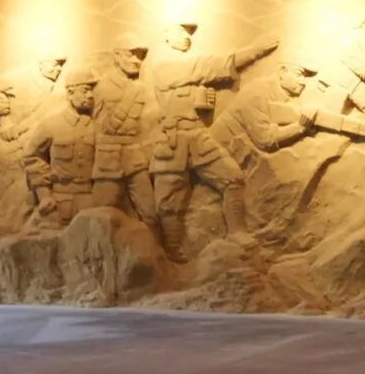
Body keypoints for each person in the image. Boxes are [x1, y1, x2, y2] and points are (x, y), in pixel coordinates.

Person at [150, 21, 278, 261]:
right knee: (168, 198)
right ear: (166, 36)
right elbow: (208, 66)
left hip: (198, 134)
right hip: (172, 139)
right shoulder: (164, 66)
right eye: (181, 32)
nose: (187, 37)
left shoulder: (189, 69)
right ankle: (172, 250)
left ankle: (237, 232)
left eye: (189, 34)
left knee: (232, 177)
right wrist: (254, 51)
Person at [91, 34, 158, 228]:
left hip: (134, 158)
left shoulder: (140, 88)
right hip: (108, 160)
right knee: (102, 214)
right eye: (131, 55)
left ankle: (151, 246)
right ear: (117, 56)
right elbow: (94, 125)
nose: (137, 60)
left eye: (140, 56)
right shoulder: (101, 88)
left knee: (150, 213)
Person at [21, 68, 99, 226]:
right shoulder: (51, 124)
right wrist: (44, 195)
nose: (90, 95)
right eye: (85, 90)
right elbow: (31, 157)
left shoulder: (96, 126)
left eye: (92, 91)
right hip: (59, 202)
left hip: (92, 201)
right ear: (70, 93)